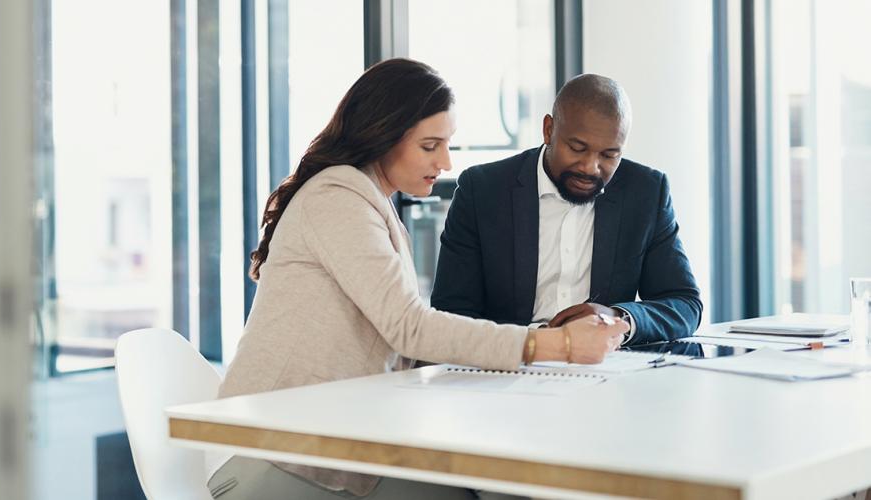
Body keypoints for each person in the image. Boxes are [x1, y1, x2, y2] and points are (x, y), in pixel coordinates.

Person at [206, 59, 629, 500]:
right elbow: (410, 328)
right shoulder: (338, 199)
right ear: (384, 135)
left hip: (318, 445)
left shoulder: (372, 205)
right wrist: (556, 346)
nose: (445, 162)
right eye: (430, 146)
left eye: (446, 145)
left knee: (496, 487)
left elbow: (405, 344)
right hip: (264, 453)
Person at [431, 74, 702, 347]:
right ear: (548, 129)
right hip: (508, 367)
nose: (590, 167)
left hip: (608, 373)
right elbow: (451, 312)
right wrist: (535, 345)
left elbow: (684, 304)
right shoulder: (483, 190)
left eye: (609, 155)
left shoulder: (645, 192)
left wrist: (619, 317)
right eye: (577, 148)